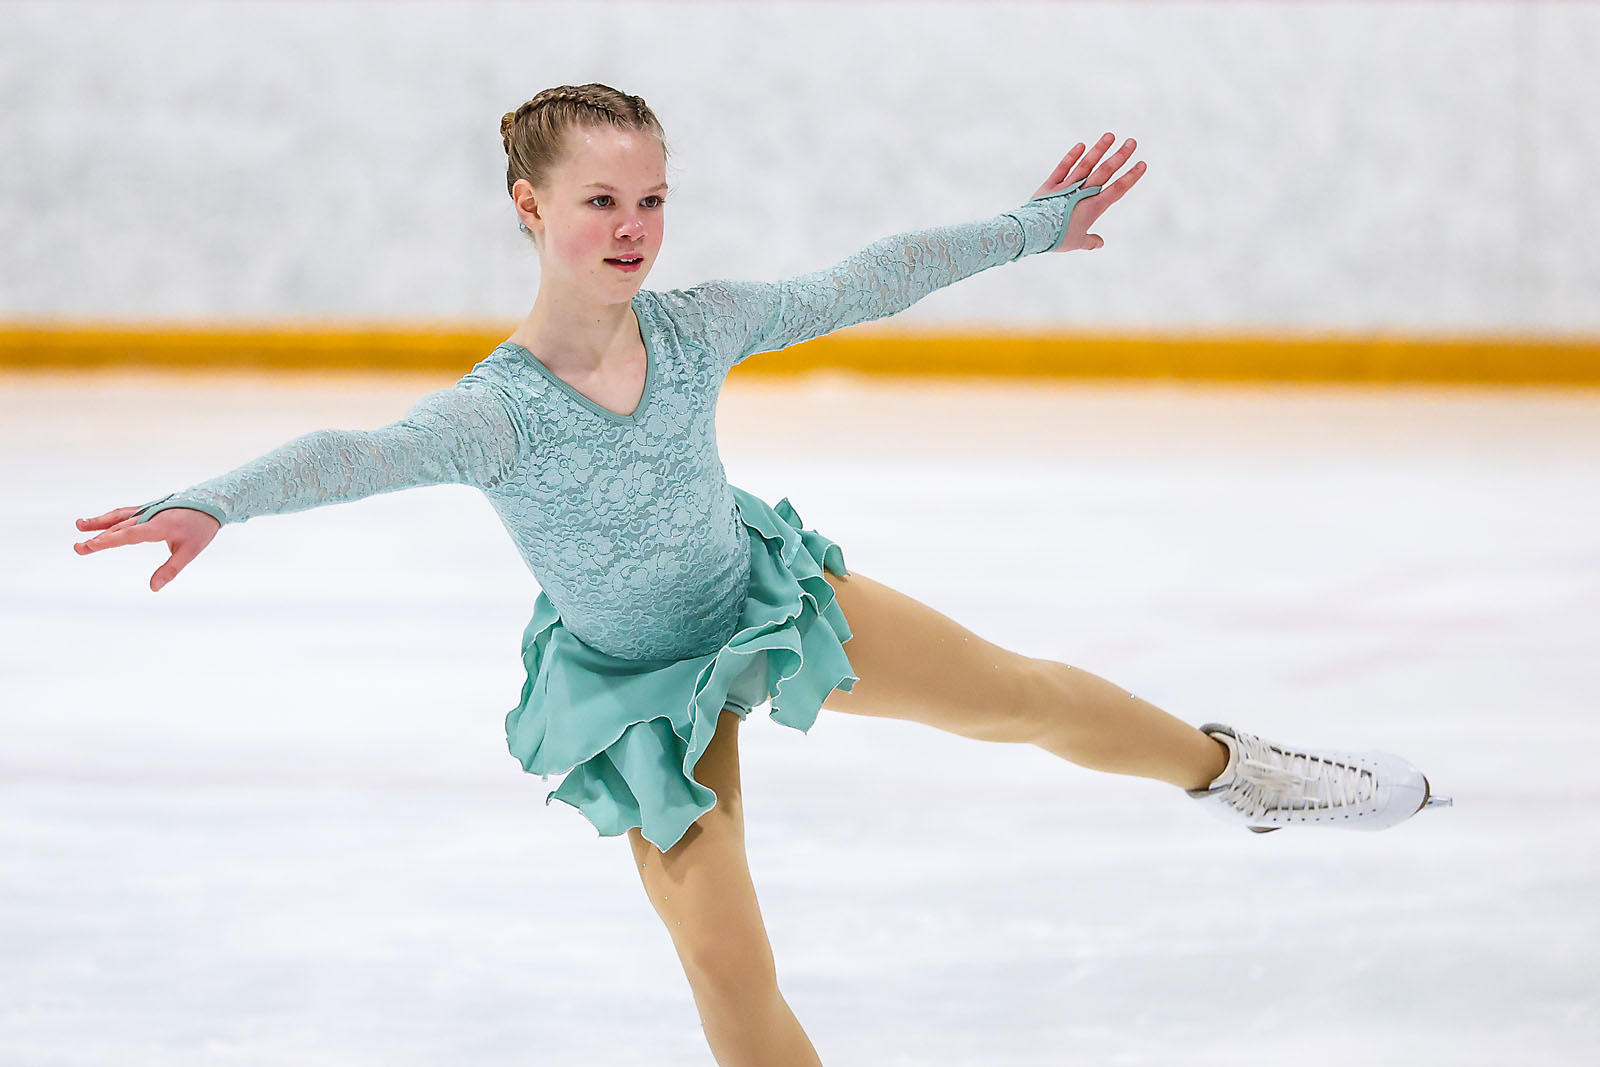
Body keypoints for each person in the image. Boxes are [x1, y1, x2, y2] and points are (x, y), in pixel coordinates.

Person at [72, 83, 1450, 1067]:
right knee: (727, 969)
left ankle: (1239, 775)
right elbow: (349, 453)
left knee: (1020, 697)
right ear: (528, 205)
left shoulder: (695, 326)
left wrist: (1031, 227)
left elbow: (865, 280)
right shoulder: (491, 411)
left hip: (761, 604)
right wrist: (216, 504)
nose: (632, 227)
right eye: (601, 200)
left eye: (652, 199)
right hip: (637, 694)